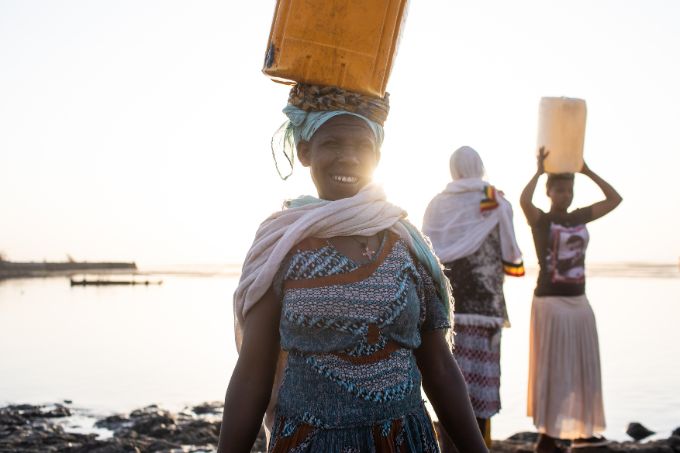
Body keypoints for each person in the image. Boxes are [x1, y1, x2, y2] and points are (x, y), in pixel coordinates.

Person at [217, 84, 488, 453]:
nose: (348, 157)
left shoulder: (406, 244)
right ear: (305, 151)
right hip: (308, 443)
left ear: (377, 155)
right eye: (332, 143)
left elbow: (439, 366)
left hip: (404, 442)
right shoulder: (280, 245)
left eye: (362, 146)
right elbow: (253, 373)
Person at [519, 147, 622, 453]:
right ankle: (547, 437)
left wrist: (586, 171)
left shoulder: (579, 217)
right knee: (553, 368)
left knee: (580, 367)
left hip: (579, 303)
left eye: (569, 190)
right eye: (559, 190)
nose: (565, 195)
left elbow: (615, 200)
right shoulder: (542, 221)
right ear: (550, 192)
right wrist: (538, 172)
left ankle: (579, 431)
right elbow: (524, 201)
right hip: (550, 304)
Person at [422, 146, 525, 447]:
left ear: (453, 169)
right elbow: (511, 254)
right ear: (479, 166)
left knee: (444, 382)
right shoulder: (494, 200)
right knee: (480, 391)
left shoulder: (436, 204)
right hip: (485, 307)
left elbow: (427, 255)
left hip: (446, 310)